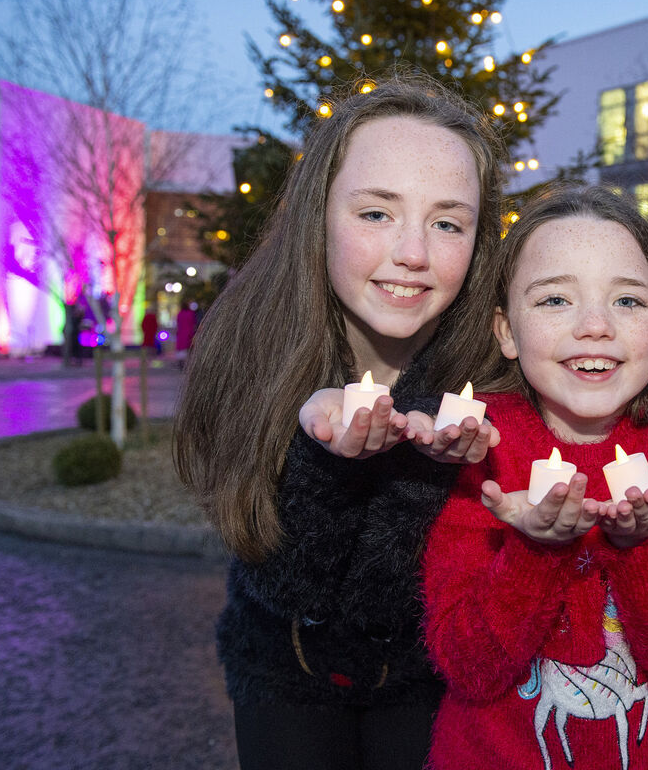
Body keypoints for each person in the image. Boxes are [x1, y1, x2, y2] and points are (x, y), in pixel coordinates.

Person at [172, 72, 505, 770]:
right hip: (282, 674)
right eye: (377, 213)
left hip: (427, 685)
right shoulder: (250, 342)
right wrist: (325, 460)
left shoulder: (491, 373)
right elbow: (286, 583)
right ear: (319, 212)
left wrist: (427, 466)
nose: (412, 252)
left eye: (447, 222)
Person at [420, 185, 648, 770]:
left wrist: (643, 546)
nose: (595, 325)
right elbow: (468, 666)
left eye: (627, 301)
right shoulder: (477, 449)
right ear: (506, 331)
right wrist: (533, 551)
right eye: (554, 301)